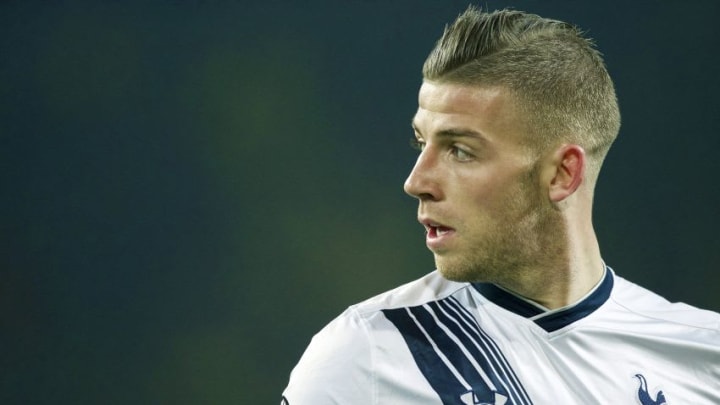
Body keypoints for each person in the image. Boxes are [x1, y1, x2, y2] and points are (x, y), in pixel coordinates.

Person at [281, 6, 720, 404]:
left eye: (460, 151)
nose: (417, 182)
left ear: (562, 174)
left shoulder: (704, 354)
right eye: (421, 142)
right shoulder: (366, 358)